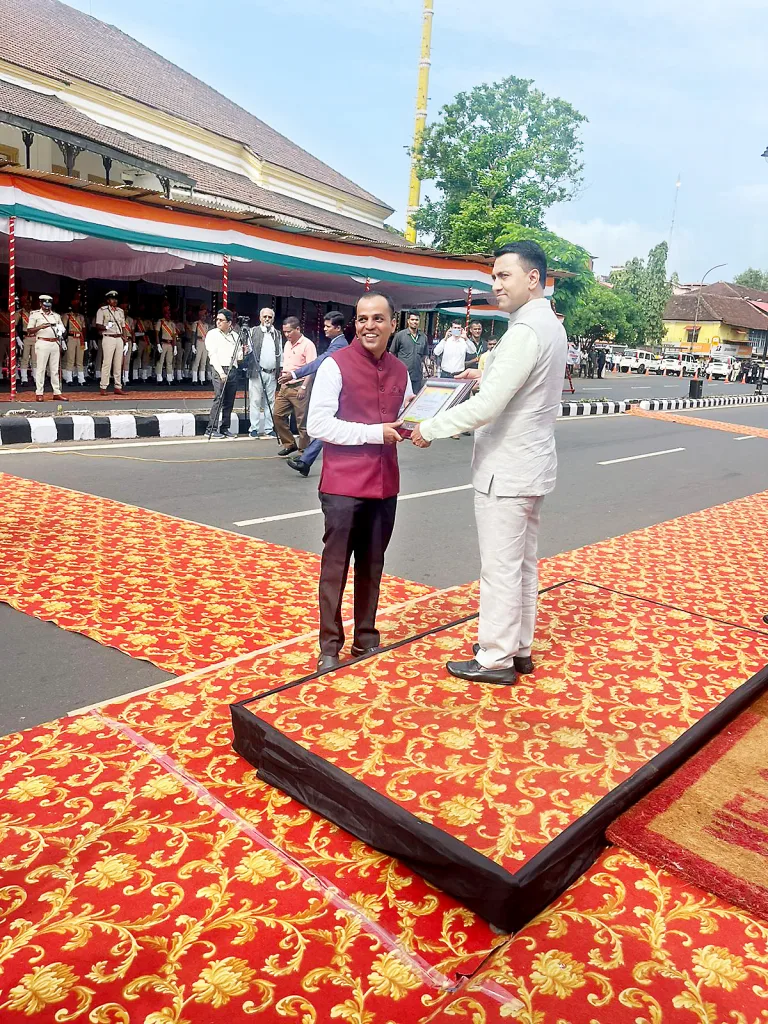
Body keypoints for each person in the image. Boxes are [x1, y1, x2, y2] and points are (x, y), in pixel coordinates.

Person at [412, 240, 567, 686]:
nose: (494, 284)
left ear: (533, 278)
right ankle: (518, 647)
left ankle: (495, 657)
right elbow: (512, 375)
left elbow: (489, 406)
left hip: (508, 468)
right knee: (522, 565)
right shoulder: (547, 325)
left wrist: (431, 427)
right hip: (531, 465)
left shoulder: (526, 331)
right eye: (493, 276)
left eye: (504, 276)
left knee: (500, 568)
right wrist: (480, 372)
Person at [307, 292, 412, 672]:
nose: (370, 326)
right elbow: (317, 425)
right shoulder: (335, 365)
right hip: (343, 485)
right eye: (363, 318)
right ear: (355, 323)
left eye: (378, 319)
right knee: (335, 566)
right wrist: (374, 433)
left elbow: (408, 416)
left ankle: (366, 638)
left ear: (392, 324)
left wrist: (425, 427)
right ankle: (329, 646)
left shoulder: (400, 370)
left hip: (385, 484)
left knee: (373, 563)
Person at [284, 311, 349, 477]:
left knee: (331, 427)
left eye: (328, 326)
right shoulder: (337, 342)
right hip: (339, 392)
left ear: (338, 328)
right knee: (330, 427)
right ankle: (306, 461)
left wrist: (294, 374)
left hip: (344, 393)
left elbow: (320, 362)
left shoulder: (339, 344)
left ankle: (308, 461)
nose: (325, 329)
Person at [272, 316, 317, 456]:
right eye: (284, 332)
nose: (287, 335)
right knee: (277, 415)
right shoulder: (287, 344)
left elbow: (312, 368)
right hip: (286, 385)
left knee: (301, 422)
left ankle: (304, 452)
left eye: (289, 331)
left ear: (298, 329)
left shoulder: (307, 345)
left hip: (300, 385)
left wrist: (304, 387)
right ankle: (289, 444)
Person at [204, 308, 243, 438]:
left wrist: (244, 351)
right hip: (219, 369)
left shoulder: (235, 336)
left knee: (229, 401)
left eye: (222, 320)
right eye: (217, 320)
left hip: (232, 369)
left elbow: (239, 357)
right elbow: (213, 355)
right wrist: (221, 373)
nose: (218, 322)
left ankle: (225, 428)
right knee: (219, 399)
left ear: (229, 323)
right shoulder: (212, 334)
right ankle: (211, 429)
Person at [247, 308, 282, 438]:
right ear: (260, 318)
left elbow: (280, 353)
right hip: (257, 372)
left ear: (273, 319)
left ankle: (269, 428)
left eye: (269, 317)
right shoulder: (253, 331)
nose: (267, 319)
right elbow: (247, 350)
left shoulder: (277, 334)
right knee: (255, 401)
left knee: (270, 402)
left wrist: (281, 369)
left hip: (272, 373)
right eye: (265, 316)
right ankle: (254, 429)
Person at [27, 294, 68, 403]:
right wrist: (41, 326)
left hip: (54, 342)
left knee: (54, 370)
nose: (47, 307)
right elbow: (29, 330)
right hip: (42, 342)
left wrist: (61, 332)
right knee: (41, 369)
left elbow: (63, 330)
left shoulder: (56, 316)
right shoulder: (35, 315)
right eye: (45, 305)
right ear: (40, 304)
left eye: (48, 305)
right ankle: (39, 393)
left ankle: (57, 392)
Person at [95, 290, 126, 394]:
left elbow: (123, 326)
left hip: (118, 338)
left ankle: (118, 386)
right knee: (107, 363)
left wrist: (124, 339)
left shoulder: (120, 311)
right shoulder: (102, 310)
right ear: (108, 300)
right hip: (108, 337)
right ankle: (103, 386)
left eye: (116, 299)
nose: (114, 301)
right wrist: (106, 327)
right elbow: (98, 325)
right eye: (112, 299)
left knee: (118, 363)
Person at [390, 312, 428, 394]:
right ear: (408, 321)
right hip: (402, 375)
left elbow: (424, 356)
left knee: (414, 400)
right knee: (401, 399)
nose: (415, 322)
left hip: (417, 376)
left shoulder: (423, 337)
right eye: (412, 319)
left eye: (417, 320)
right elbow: (391, 354)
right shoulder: (400, 335)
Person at [62, 292, 87, 386]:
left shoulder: (81, 317)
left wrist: (85, 340)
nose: (77, 307)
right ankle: (69, 379)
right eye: (75, 305)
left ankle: (81, 379)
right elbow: (63, 329)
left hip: (80, 338)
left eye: (78, 305)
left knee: (80, 360)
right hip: (71, 338)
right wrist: (63, 341)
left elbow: (84, 329)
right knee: (70, 359)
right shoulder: (67, 316)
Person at [154, 304, 179, 385]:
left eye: (169, 314)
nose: (169, 315)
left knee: (169, 362)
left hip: (170, 344)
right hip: (163, 343)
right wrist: (158, 344)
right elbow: (157, 334)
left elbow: (174, 336)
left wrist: (175, 347)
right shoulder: (160, 322)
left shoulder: (172, 324)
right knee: (160, 361)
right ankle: (159, 378)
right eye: (167, 313)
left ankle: (169, 379)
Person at [190, 306, 211, 385]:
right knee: (197, 361)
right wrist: (193, 345)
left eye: (205, 316)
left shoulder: (206, 325)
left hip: (204, 343)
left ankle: (202, 379)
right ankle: (194, 379)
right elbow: (193, 335)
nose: (204, 317)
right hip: (198, 342)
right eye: (202, 315)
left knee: (203, 362)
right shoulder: (196, 323)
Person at [18, 292, 34, 385]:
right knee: (24, 359)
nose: (27, 304)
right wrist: (18, 339)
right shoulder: (19, 313)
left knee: (35, 359)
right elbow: (15, 327)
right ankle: (24, 378)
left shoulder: (34, 313)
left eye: (29, 302)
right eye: (26, 302)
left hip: (34, 337)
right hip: (25, 338)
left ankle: (36, 377)